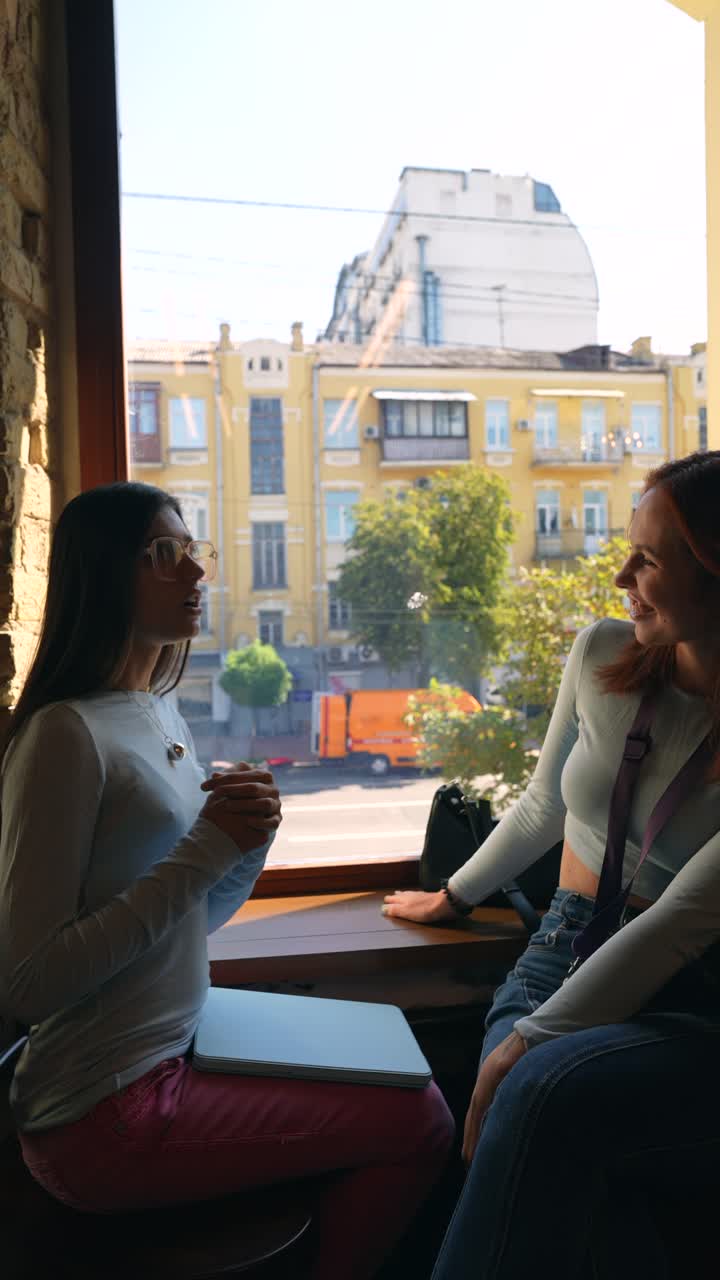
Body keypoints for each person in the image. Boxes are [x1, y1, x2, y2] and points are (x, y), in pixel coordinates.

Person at [0, 482, 454, 1280]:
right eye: (165, 555)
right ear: (104, 573)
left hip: (178, 1043)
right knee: (420, 1118)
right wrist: (209, 850)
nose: (196, 573)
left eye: (193, 551)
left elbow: (187, 921)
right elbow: (30, 984)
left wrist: (249, 846)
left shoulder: (153, 710)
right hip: (103, 1110)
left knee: (400, 1058)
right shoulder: (63, 735)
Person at [383, 451, 720, 1278]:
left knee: (539, 1097)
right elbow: (541, 806)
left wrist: (533, 1037)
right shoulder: (604, 655)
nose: (620, 576)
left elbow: (683, 924)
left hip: (705, 991)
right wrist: (454, 896)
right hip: (566, 948)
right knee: (588, 1174)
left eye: (648, 559)